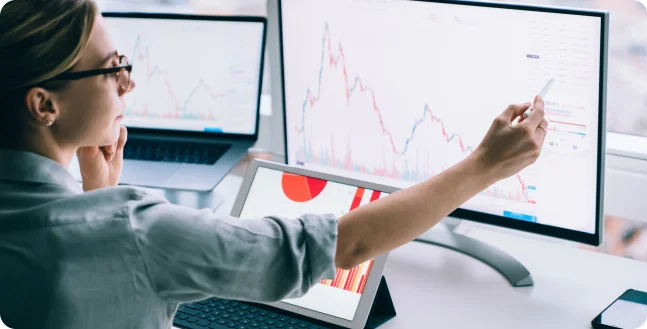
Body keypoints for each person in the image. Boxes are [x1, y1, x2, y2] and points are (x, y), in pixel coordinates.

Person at [0, 0, 549, 328]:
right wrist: (483, 166)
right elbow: (345, 246)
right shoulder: (134, 231)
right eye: (111, 69)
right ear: (45, 105)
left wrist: (99, 192)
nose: (129, 82)